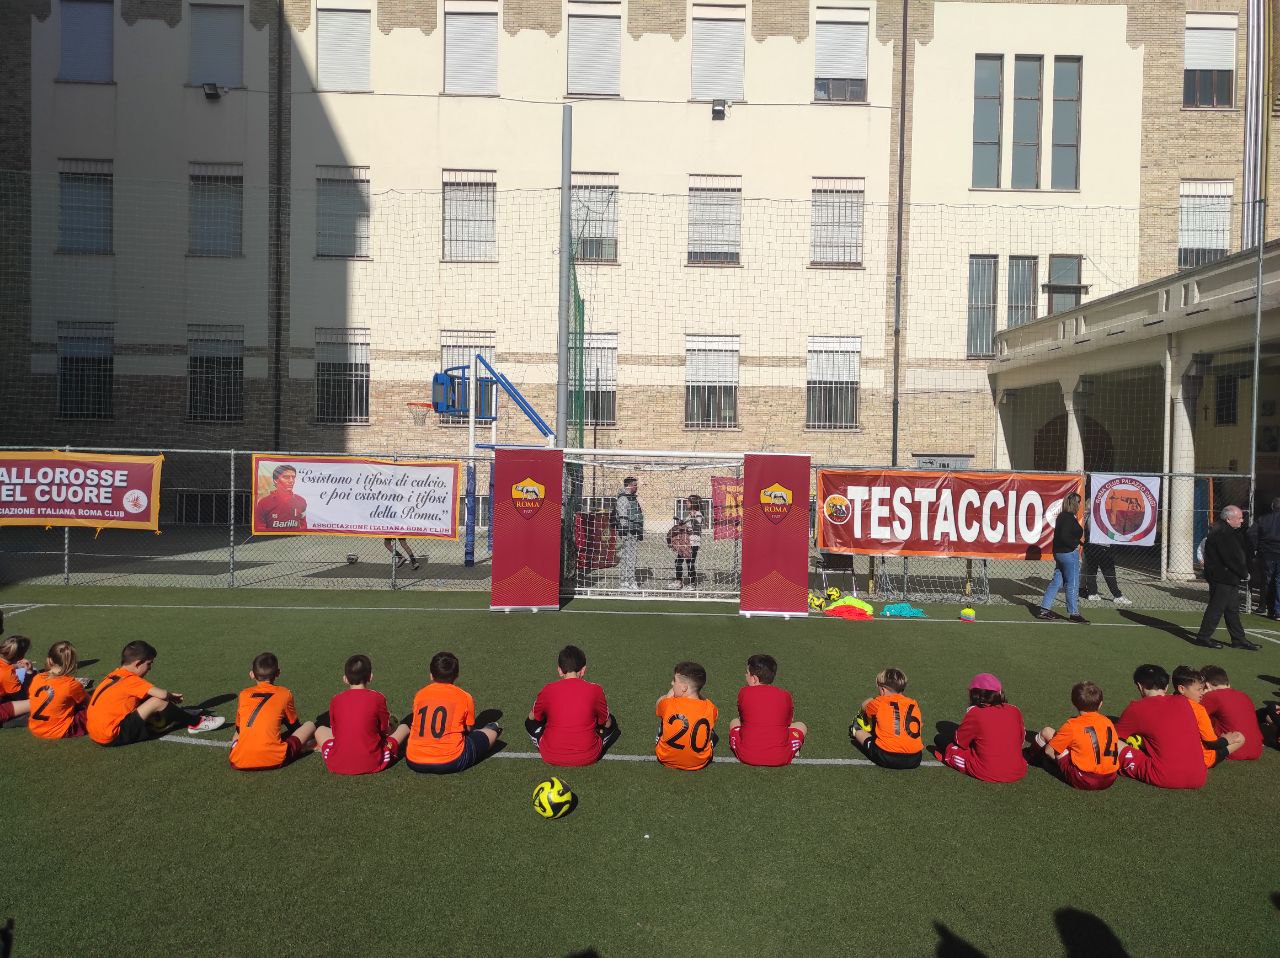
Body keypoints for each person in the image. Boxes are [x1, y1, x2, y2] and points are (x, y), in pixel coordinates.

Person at [87, 640, 225, 747]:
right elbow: (162, 695)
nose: (150, 668)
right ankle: (196, 723)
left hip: (96, 733)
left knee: (149, 699)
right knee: (158, 701)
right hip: (112, 735)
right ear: (138, 663)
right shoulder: (131, 680)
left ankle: (182, 715)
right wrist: (169, 695)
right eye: (149, 664)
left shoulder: (114, 674)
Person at [1115, 663, 1209, 789]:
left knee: (1112, 741)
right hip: (1199, 777)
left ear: (1139, 686)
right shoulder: (1184, 702)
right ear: (1166, 687)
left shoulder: (1137, 708)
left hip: (1164, 776)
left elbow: (1113, 737)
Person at [405, 651, 501, 774]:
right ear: (456, 676)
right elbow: (468, 729)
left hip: (414, 760)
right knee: (492, 730)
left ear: (431, 675)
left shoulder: (420, 695)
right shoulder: (464, 696)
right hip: (451, 761)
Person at [315, 653, 411, 775]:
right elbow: (384, 731)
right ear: (370, 677)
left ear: (345, 678)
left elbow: (335, 733)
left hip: (337, 763)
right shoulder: (378, 698)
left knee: (320, 730)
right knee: (404, 727)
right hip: (374, 761)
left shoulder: (336, 699)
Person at [526, 645, 620, 766]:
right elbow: (607, 723)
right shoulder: (595, 690)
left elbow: (532, 717)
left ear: (559, 670)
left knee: (531, 722)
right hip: (588, 756)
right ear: (583, 669)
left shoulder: (548, 689)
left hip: (550, 754)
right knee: (610, 721)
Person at [932, 673, 1027, 783]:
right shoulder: (1014, 710)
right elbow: (1020, 741)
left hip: (986, 771)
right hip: (1019, 769)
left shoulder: (975, 712)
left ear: (974, 695)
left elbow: (960, 742)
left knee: (940, 739)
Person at [229, 652, 317, 771]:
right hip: (276, 759)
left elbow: (239, 730)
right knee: (310, 725)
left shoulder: (243, 694)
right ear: (278, 673)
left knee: (237, 734)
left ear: (251, 674)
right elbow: (294, 727)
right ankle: (307, 746)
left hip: (238, 761)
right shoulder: (284, 693)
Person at [1030, 681, 1119, 790]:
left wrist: (1059, 762)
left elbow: (1049, 751)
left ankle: (1030, 757)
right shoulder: (1108, 722)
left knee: (1047, 732)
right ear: (1101, 704)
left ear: (1073, 703)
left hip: (1085, 779)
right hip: (1111, 778)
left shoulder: (1072, 725)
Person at [1194, 505, 1258, 650]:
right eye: (1239, 518)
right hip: (1222, 576)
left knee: (1232, 608)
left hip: (1227, 577)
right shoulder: (1223, 533)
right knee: (1216, 607)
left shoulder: (1226, 531)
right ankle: (1203, 637)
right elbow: (1231, 558)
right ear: (1229, 519)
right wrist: (1244, 573)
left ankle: (1238, 639)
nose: (1242, 521)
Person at [729, 654, 807, 767]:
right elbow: (789, 722)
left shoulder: (744, 692)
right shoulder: (785, 695)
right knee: (801, 725)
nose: (745, 675)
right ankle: (794, 748)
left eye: (747, 673)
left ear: (754, 678)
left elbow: (742, 718)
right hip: (780, 757)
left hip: (747, 755)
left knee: (735, 722)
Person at [848, 667, 923, 770]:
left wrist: (871, 701)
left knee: (858, 731)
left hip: (887, 756)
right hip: (915, 758)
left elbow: (864, 705)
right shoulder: (914, 704)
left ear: (882, 690)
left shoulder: (879, 702)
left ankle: (855, 730)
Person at [1170, 665, 1242, 768]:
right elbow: (1212, 743)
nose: (1202, 692)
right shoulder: (1199, 710)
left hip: (1171, 753)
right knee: (1240, 737)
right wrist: (1227, 740)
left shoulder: (1166, 701)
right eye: (1199, 689)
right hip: (1200, 759)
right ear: (1182, 689)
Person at [1036, 492, 1089, 623]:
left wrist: (1079, 542)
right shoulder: (1068, 517)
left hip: (1060, 554)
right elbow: (1065, 536)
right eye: (1078, 502)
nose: (1079, 504)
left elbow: (1064, 535)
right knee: (1073, 583)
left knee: (1057, 582)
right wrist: (1075, 544)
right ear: (1073, 503)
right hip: (1068, 554)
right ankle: (1074, 613)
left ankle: (1044, 609)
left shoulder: (1063, 516)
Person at [655, 661, 718, 771]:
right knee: (712, 733)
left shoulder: (668, 703)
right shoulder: (710, 707)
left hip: (665, 758)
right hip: (700, 762)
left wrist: (670, 695)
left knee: (663, 721)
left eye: (674, 681)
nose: (671, 683)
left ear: (684, 688)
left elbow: (658, 705)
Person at [27, 641, 92, 740]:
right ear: (72, 664)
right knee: (95, 711)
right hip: (60, 730)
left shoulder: (37, 678)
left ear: (50, 661)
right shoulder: (71, 684)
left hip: (35, 727)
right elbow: (90, 703)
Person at [1198, 664, 1264, 761]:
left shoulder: (1212, 696)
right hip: (1256, 750)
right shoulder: (1244, 695)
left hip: (1233, 750)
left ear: (1206, 684)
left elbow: (1191, 714)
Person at [1247, 496, 1280, 620]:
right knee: (1278, 580)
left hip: (1267, 552)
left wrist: (1256, 547)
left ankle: (1263, 606)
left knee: (1266, 579)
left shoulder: (1263, 519)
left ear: (1272, 507)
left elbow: (1251, 533)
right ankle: (1277, 609)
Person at [254, 463, 307, 532]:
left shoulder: (301, 500)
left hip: (294, 539)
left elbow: (303, 524)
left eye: (293, 477)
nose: (291, 481)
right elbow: (260, 526)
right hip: (272, 540)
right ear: (276, 480)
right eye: (286, 477)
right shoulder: (264, 502)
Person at [614, 476, 644, 591]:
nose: (637, 487)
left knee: (629, 557)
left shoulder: (632, 498)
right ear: (629, 485)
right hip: (628, 532)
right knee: (629, 557)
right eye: (635, 485)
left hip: (634, 531)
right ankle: (629, 581)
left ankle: (625, 581)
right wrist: (624, 531)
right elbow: (622, 517)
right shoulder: (623, 499)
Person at [0, 635, 34, 727]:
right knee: (38, 701)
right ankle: (9, 721)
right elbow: (21, 697)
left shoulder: (6, 669)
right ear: (21, 656)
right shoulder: (7, 674)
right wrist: (29, 672)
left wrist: (15, 666)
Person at [666, 515, 693, 591]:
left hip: (688, 547)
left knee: (689, 563)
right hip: (681, 548)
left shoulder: (688, 528)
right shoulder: (676, 528)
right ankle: (679, 581)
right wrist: (670, 543)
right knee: (678, 562)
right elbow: (669, 535)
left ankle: (691, 583)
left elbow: (691, 531)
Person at [684, 495, 705, 587]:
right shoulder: (689, 514)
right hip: (688, 541)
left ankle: (693, 583)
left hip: (694, 542)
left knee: (691, 562)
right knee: (688, 561)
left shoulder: (698, 513)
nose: (686, 503)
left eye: (688, 502)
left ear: (693, 503)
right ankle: (690, 581)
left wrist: (693, 518)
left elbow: (698, 523)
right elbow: (689, 527)